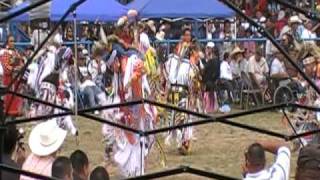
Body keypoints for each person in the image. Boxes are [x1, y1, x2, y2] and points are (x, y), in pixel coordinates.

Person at [1, 35, 24, 121]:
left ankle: (16, 111)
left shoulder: (16, 52)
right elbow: (5, 66)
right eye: (11, 41)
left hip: (16, 77)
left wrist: (20, 67)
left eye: (13, 41)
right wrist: (14, 69)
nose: (12, 43)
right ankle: (9, 112)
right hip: (9, 79)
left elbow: (21, 63)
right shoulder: (5, 52)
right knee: (9, 95)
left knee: (16, 94)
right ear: (7, 42)